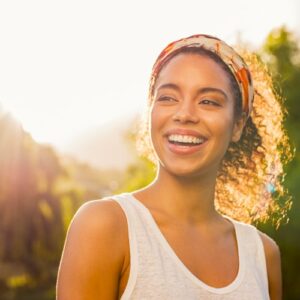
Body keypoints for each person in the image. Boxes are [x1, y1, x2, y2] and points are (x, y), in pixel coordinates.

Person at [56, 34, 292, 299]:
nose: (184, 114)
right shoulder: (104, 226)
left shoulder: (262, 254)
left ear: (237, 124)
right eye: (168, 98)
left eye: (208, 101)